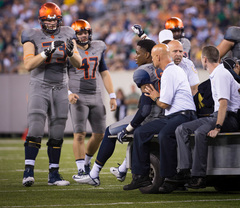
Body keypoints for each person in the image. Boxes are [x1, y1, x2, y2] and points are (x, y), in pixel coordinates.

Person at [74, 39, 164, 186]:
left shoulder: (142, 72)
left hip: (152, 117)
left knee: (110, 131)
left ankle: (94, 174)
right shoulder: (163, 68)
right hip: (165, 114)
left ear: (148, 55)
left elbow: (146, 108)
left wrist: (131, 127)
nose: (135, 57)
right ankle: (122, 169)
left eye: (138, 53)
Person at [21, 2, 82, 187]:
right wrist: (47, 52)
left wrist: (71, 53)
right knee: (36, 127)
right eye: (48, 20)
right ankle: (28, 171)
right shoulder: (31, 35)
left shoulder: (68, 33)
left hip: (60, 86)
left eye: (55, 20)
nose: (52, 23)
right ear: (41, 21)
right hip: (40, 85)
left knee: (57, 130)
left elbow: (78, 63)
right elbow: (28, 65)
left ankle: (53, 174)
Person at [123, 43, 197, 192]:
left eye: (153, 57)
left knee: (165, 134)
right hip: (173, 115)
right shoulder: (171, 71)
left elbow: (164, 104)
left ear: (157, 57)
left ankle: (172, 178)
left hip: (184, 114)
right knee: (140, 132)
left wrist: (155, 97)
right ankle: (141, 177)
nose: (152, 61)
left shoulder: (170, 71)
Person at [172, 46, 240, 190]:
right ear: (219, 58)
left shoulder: (220, 74)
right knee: (182, 129)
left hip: (227, 117)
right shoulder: (218, 73)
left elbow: (223, 104)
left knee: (200, 132)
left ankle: (199, 176)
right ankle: (184, 170)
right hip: (217, 115)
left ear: (204, 59)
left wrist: (217, 127)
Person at [68, 19, 117, 181]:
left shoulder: (98, 47)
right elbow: (61, 75)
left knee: (99, 134)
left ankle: (87, 163)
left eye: (85, 32)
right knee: (79, 134)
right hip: (78, 96)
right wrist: (68, 92)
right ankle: (81, 169)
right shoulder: (69, 49)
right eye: (80, 33)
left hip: (95, 94)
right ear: (74, 35)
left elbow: (104, 71)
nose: (83, 35)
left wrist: (112, 95)